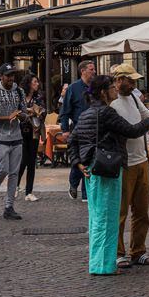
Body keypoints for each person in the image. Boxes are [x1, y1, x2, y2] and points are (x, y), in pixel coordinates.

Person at [68, 74, 149, 275]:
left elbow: (72, 140)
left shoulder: (87, 113)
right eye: (111, 87)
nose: (115, 90)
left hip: (93, 170)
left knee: (97, 217)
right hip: (108, 169)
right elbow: (131, 130)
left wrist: (78, 163)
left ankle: (98, 262)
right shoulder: (106, 112)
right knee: (108, 218)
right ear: (103, 92)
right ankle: (105, 265)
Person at [109, 63, 149, 268]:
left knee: (141, 210)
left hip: (142, 161)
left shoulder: (134, 98)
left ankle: (138, 250)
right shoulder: (112, 104)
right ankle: (119, 252)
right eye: (130, 81)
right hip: (125, 163)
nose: (134, 84)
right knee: (120, 211)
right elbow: (131, 129)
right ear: (119, 81)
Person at [0, 63, 26, 222]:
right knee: (3, 169)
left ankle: (9, 206)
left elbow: (24, 112)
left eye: (12, 75)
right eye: (8, 75)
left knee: (14, 172)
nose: (11, 78)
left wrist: (22, 115)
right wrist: (7, 117)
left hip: (16, 134)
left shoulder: (19, 91)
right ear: (0, 76)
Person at [60, 61, 96, 200]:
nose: (94, 72)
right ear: (83, 71)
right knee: (80, 159)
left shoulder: (95, 87)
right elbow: (65, 111)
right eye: (91, 69)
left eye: (94, 69)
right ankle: (73, 184)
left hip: (94, 130)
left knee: (89, 159)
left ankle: (86, 193)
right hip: (78, 129)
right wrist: (65, 130)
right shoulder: (73, 88)